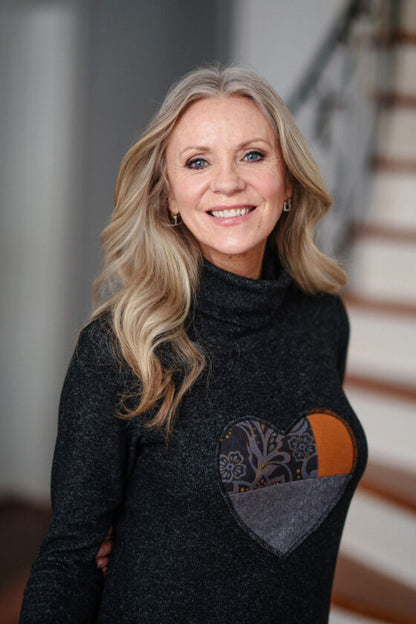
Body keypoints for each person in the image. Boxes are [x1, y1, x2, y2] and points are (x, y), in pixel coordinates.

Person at [20, 65, 367, 623]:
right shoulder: (120, 348)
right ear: (170, 199)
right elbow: (70, 560)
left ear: (288, 182)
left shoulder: (322, 320)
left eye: (253, 155)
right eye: (198, 161)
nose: (227, 182)